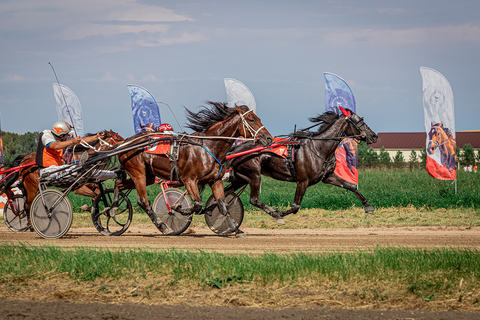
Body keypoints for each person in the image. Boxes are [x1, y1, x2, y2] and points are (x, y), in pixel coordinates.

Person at [36, 121, 100, 179]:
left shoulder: (63, 139)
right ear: (61, 134)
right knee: (79, 169)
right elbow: (54, 145)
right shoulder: (46, 135)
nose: (68, 136)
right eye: (67, 134)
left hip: (58, 169)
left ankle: (109, 174)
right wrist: (72, 141)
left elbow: (81, 141)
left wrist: (96, 137)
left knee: (84, 169)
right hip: (47, 170)